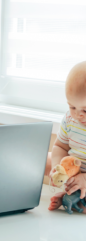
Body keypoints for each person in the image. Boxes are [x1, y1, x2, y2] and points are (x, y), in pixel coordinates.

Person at [48, 61, 86, 212]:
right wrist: (57, 166)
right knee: (73, 187)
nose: (77, 114)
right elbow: (60, 146)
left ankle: (74, 202)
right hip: (74, 176)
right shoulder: (70, 121)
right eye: (72, 107)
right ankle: (70, 197)